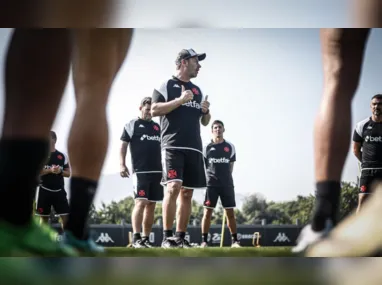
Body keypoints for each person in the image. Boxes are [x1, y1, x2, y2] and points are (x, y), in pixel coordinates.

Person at [0, 27, 134, 257]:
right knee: (94, 89)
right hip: (46, 189)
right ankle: (73, 232)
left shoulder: (60, 156)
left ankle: (14, 221)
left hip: (57, 189)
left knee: (44, 24)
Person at [151, 48, 211, 248]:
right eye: (196, 61)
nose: (199, 65)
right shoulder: (166, 84)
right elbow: (154, 109)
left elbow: (204, 122)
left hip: (194, 147)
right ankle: (166, 237)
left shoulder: (197, 90)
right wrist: (180, 100)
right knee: (173, 187)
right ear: (184, 62)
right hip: (172, 145)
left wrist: (206, 112)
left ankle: (180, 237)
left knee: (187, 193)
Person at [120, 97, 162, 248]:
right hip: (140, 171)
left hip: (157, 172)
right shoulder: (132, 125)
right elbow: (123, 145)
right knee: (141, 202)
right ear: (140, 108)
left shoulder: (158, 127)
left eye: (152, 109)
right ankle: (136, 238)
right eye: (147, 109)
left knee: (151, 204)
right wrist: (122, 164)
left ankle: (145, 239)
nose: (150, 112)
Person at [200, 120, 240, 248]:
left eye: (220, 127)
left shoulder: (230, 147)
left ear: (223, 130)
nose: (218, 129)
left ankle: (235, 241)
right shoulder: (206, 147)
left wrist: (226, 178)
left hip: (227, 184)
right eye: (215, 127)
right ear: (212, 130)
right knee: (207, 213)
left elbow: (231, 166)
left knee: (230, 213)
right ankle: (204, 241)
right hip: (211, 185)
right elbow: (203, 166)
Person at [352, 94, 382, 214]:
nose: (377, 106)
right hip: (368, 171)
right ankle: (358, 232)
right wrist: (365, 163)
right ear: (370, 107)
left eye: (380, 104)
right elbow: (356, 149)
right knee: (363, 201)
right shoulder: (361, 126)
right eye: (374, 104)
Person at [36, 131, 71, 232]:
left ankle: (66, 241)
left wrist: (60, 171)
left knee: (65, 218)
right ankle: (42, 243)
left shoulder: (62, 156)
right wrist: (50, 170)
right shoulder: (40, 155)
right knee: (43, 220)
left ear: (54, 140)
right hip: (44, 191)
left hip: (59, 191)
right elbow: (36, 172)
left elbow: (68, 174)